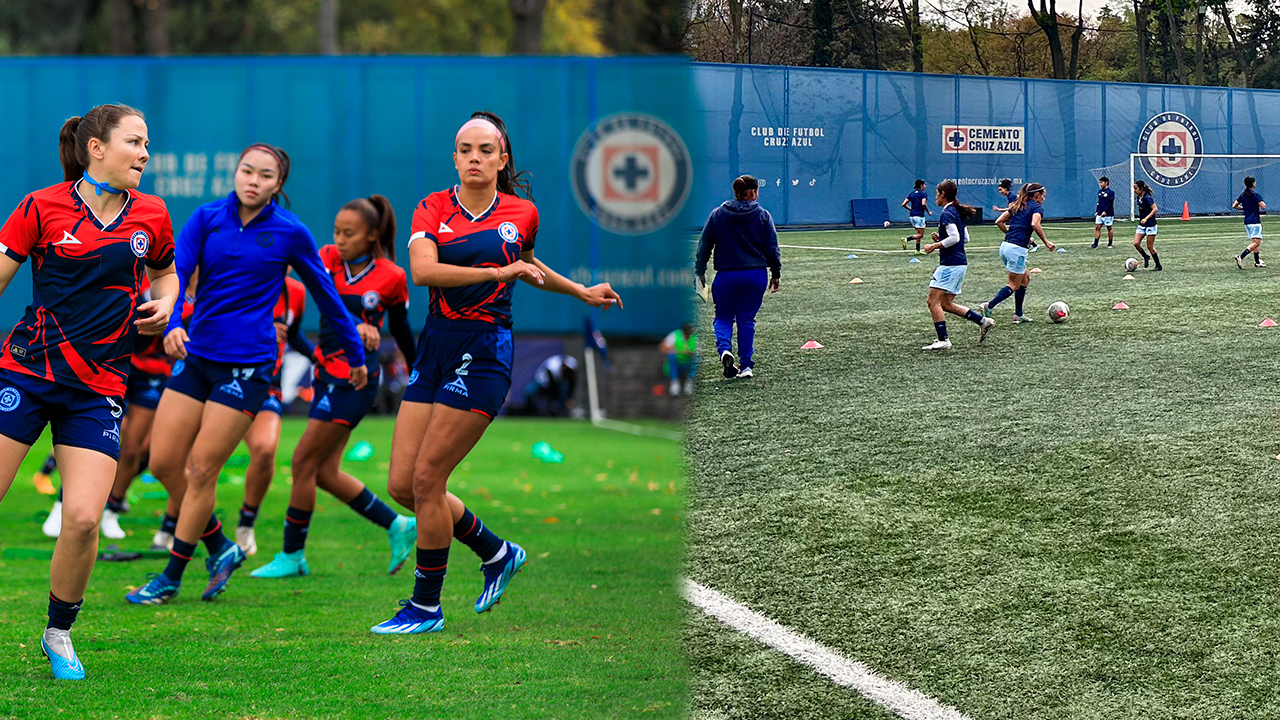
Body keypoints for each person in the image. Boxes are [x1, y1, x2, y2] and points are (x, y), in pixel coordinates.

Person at [370, 111, 621, 635]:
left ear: (502, 158)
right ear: (455, 157)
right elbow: (423, 271)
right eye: (465, 149)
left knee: (427, 479)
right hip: (435, 346)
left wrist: (580, 290)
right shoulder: (433, 207)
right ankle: (496, 551)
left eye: (486, 150)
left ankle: (425, 608)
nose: (475, 158)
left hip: (485, 350)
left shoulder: (522, 212)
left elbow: (531, 266)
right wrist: (498, 271)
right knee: (402, 484)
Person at [125, 142, 367, 606]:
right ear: (235, 173)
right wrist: (173, 324)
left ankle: (172, 576)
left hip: (249, 366)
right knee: (163, 463)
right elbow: (176, 273)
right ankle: (220, 545)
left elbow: (326, 297)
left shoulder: (291, 231)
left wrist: (353, 354)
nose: (252, 180)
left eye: (264, 175)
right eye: (245, 171)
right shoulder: (206, 217)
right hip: (197, 358)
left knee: (200, 470)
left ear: (279, 185)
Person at [0, 104, 177, 679]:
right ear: (95, 148)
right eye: (136, 142)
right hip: (27, 373)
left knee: (81, 520)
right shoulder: (40, 205)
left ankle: (59, 633)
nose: (146, 154)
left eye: (148, 144)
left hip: (98, 387)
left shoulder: (152, 213)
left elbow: (166, 274)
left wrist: (167, 304)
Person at [250, 195, 418, 579]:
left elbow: (402, 331)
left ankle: (292, 555)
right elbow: (321, 296)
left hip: (356, 380)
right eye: (337, 232)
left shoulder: (391, 276)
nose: (340, 240)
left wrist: (420, 367)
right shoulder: (326, 257)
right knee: (323, 472)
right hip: (326, 373)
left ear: (372, 235)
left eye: (350, 234)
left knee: (302, 462)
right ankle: (397, 525)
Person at [235, 274, 310, 557]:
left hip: (267, 385)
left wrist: (318, 357)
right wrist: (262, 328)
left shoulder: (296, 292)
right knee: (198, 461)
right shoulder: (236, 277)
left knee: (265, 450)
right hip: (226, 379)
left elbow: (295, 334)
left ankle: (246, 524)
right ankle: (174, 527)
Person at [695, 175, 781, 381]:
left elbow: (704, 245)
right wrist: (776, 273)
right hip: (755, 275)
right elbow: (772, 248)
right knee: (746, 319)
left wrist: (700, 271)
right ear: (752, 192)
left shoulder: (717, 215)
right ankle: (746, 366)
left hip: (726, 276)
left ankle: (725, 350)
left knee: (723, 317)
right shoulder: (763, 216)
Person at [921, 181, 995, 351]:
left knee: (932, 301)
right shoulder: (956, 211)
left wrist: (934, 246)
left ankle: (943, 340)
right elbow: (965, 238)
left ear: (942, 194)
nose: (935, 197)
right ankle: (983, 322)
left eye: (937, 193)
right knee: (945, 304)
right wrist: (941, 240)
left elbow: (955, 238)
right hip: (959, 263)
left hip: (950, 264)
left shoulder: (947, 213)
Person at [979, 182, 1057, 323]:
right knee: (1014, 285)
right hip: (1016, 249)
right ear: (1037, 195)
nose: (1044, 198)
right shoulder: (1036, 208)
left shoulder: (1018, 205)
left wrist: (1012, 233)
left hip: (1005, 247)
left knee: (1025, 278)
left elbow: (999, 221)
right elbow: (1035, 224)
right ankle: (989, 305)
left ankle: (1018, 315)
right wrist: (1046, 242)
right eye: (1043, 195)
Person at [510, 354, 579, 416]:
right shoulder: (552, 366)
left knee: (564, 395)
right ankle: (531, 412)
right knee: (528, 392)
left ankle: (562, 414)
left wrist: (569, 398)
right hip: (543, 381)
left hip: (556, 384)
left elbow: (572, 382)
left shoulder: (572, 366)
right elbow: (550, 385)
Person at [1234, 176, 1267, 269]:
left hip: (1247, 222)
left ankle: (1257, 262)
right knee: (1256, 243)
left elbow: (1234, 205)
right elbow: (1263, 206)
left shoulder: (1243, 194)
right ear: (1253, 184)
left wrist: (1244, 208)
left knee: (1255, 241)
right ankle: (1241, 257)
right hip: (1255, 222)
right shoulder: (1255, 194)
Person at [659, 324, 697, 396]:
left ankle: (690, 383)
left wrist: (691, 353)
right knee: (671, 356)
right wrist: (678, 351)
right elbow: (662, 347)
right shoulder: (674, 335)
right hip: (677, 364)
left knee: (697, 359)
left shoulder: (696, 338)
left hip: (688, 364)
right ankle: (674, 384)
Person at [1133, 180, 1161, 271]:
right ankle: (1145, 257)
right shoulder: (1139, 198)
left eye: (1136, 188)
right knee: (1136, 243)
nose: (1134, 190)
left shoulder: (1147, 198)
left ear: (1141, 189)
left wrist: (1146, 218)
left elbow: (1155, 209)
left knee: (1150, 246)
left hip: (1150, 225)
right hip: (1142, 225)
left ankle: (1158, 265)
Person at [901, 179, 931, 253]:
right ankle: (906, 239)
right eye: (924, 185)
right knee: (920, 235)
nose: (925, 186)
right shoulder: (923, 194)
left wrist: (911, 209)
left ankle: (917, 250)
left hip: (912, 216)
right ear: (921, 185)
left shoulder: (911, 194)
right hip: (919, 216)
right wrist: (928, 212)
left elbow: (903, 204)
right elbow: (923, 204)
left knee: (918, 233)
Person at [1092, 176, 1116, 249]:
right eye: (1100, 182)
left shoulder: (1111, 192)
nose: (1100, 184)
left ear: (1106, 183)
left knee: (1109, 228)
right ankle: (1095, 243)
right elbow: (1098, 202)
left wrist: (1106, 211)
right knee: (1097, 228)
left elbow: (1110, 203)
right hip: (1099, 213)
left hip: (1108, 214)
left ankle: (1110, 243)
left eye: (1102, 182)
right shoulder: (1100, 192)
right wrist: (1097, 211)